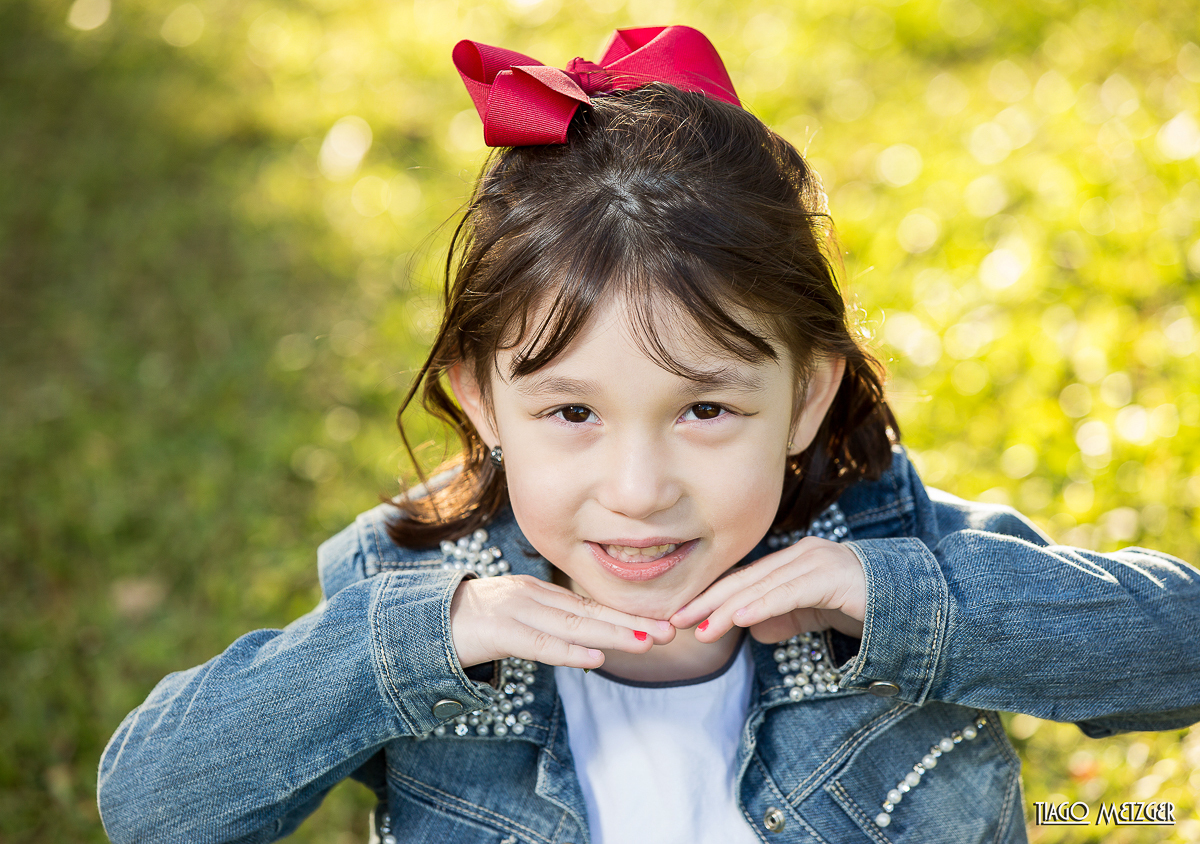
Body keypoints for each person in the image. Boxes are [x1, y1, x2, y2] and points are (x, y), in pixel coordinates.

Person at [97, 25, 1200, 844]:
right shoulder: (419, 588)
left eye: (705, 410)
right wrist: (423, 644)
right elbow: (152, 808)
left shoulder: (888, 547)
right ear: (482, 402)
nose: (638, 489)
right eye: (572, 412)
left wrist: (906, 604)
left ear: (805, 399)